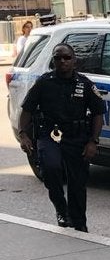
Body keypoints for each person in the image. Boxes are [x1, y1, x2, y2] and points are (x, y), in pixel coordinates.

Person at [18, 43, 105, 232]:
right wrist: (23, 134)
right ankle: (61, 208)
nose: (62, 61)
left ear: (74, 61)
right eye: (58, 58)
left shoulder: (85, 84)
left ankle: (79, 223)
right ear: (53, 61)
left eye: (67, 58)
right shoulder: (44, 82)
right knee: (50, 168)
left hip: (77, 137)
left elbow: (98, 113)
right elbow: (27, 110)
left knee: (78, 182)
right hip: (49, 134)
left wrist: (93, 141)